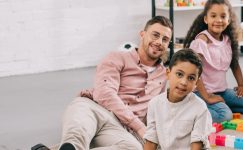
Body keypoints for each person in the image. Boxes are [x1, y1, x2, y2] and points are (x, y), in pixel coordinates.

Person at [52, 16, 172, 150]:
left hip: (119, 129)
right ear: (142, 34)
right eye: (155, 35)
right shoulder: (117, 58)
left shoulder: (164, 75)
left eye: (165, 39)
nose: (159, 42)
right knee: (77, 134)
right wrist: (138, 126)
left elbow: (158, 110)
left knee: (133, 148)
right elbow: (104, 93)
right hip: (93, 108)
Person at [183, 0, 243, 123]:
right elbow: (193, 72)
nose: (218, 20)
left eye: (223, 16)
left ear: (228, 20)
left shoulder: (227, 40)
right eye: (213, 16)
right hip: (200, 93)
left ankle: (217, 106)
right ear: (206, 19)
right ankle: (189, 111)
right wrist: (207, 97)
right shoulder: (201, 42)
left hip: (222, 91)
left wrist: (241, 85)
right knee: (225, 116)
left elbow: (234, 64)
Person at [143, 49, 212, 150]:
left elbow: (197, 145)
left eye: (191, 78)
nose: (184, 82)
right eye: (179, 74)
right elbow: (151, 140)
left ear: (196, 83)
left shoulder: (200, 107)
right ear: (168, 73)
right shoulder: (154, 104)